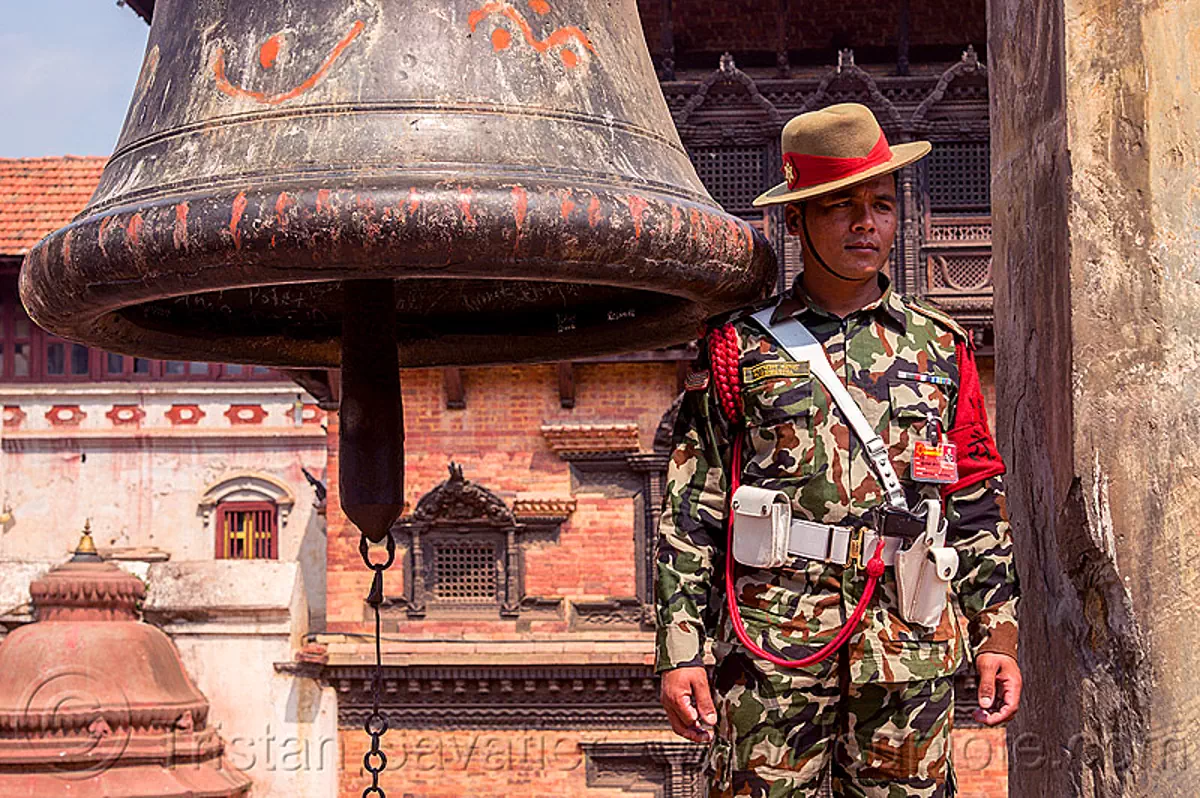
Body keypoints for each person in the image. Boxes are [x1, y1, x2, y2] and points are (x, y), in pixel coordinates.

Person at [655, 103, 1021, 797]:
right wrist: (681, 651)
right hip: (773, 643)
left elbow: (974, 496)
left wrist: (997, 636)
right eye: (840, 207)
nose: (866, 224)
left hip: (909, 638)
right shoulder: (741, 348)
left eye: (881, 204)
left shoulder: (940, 347)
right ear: (796, 221)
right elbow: (691, 509)